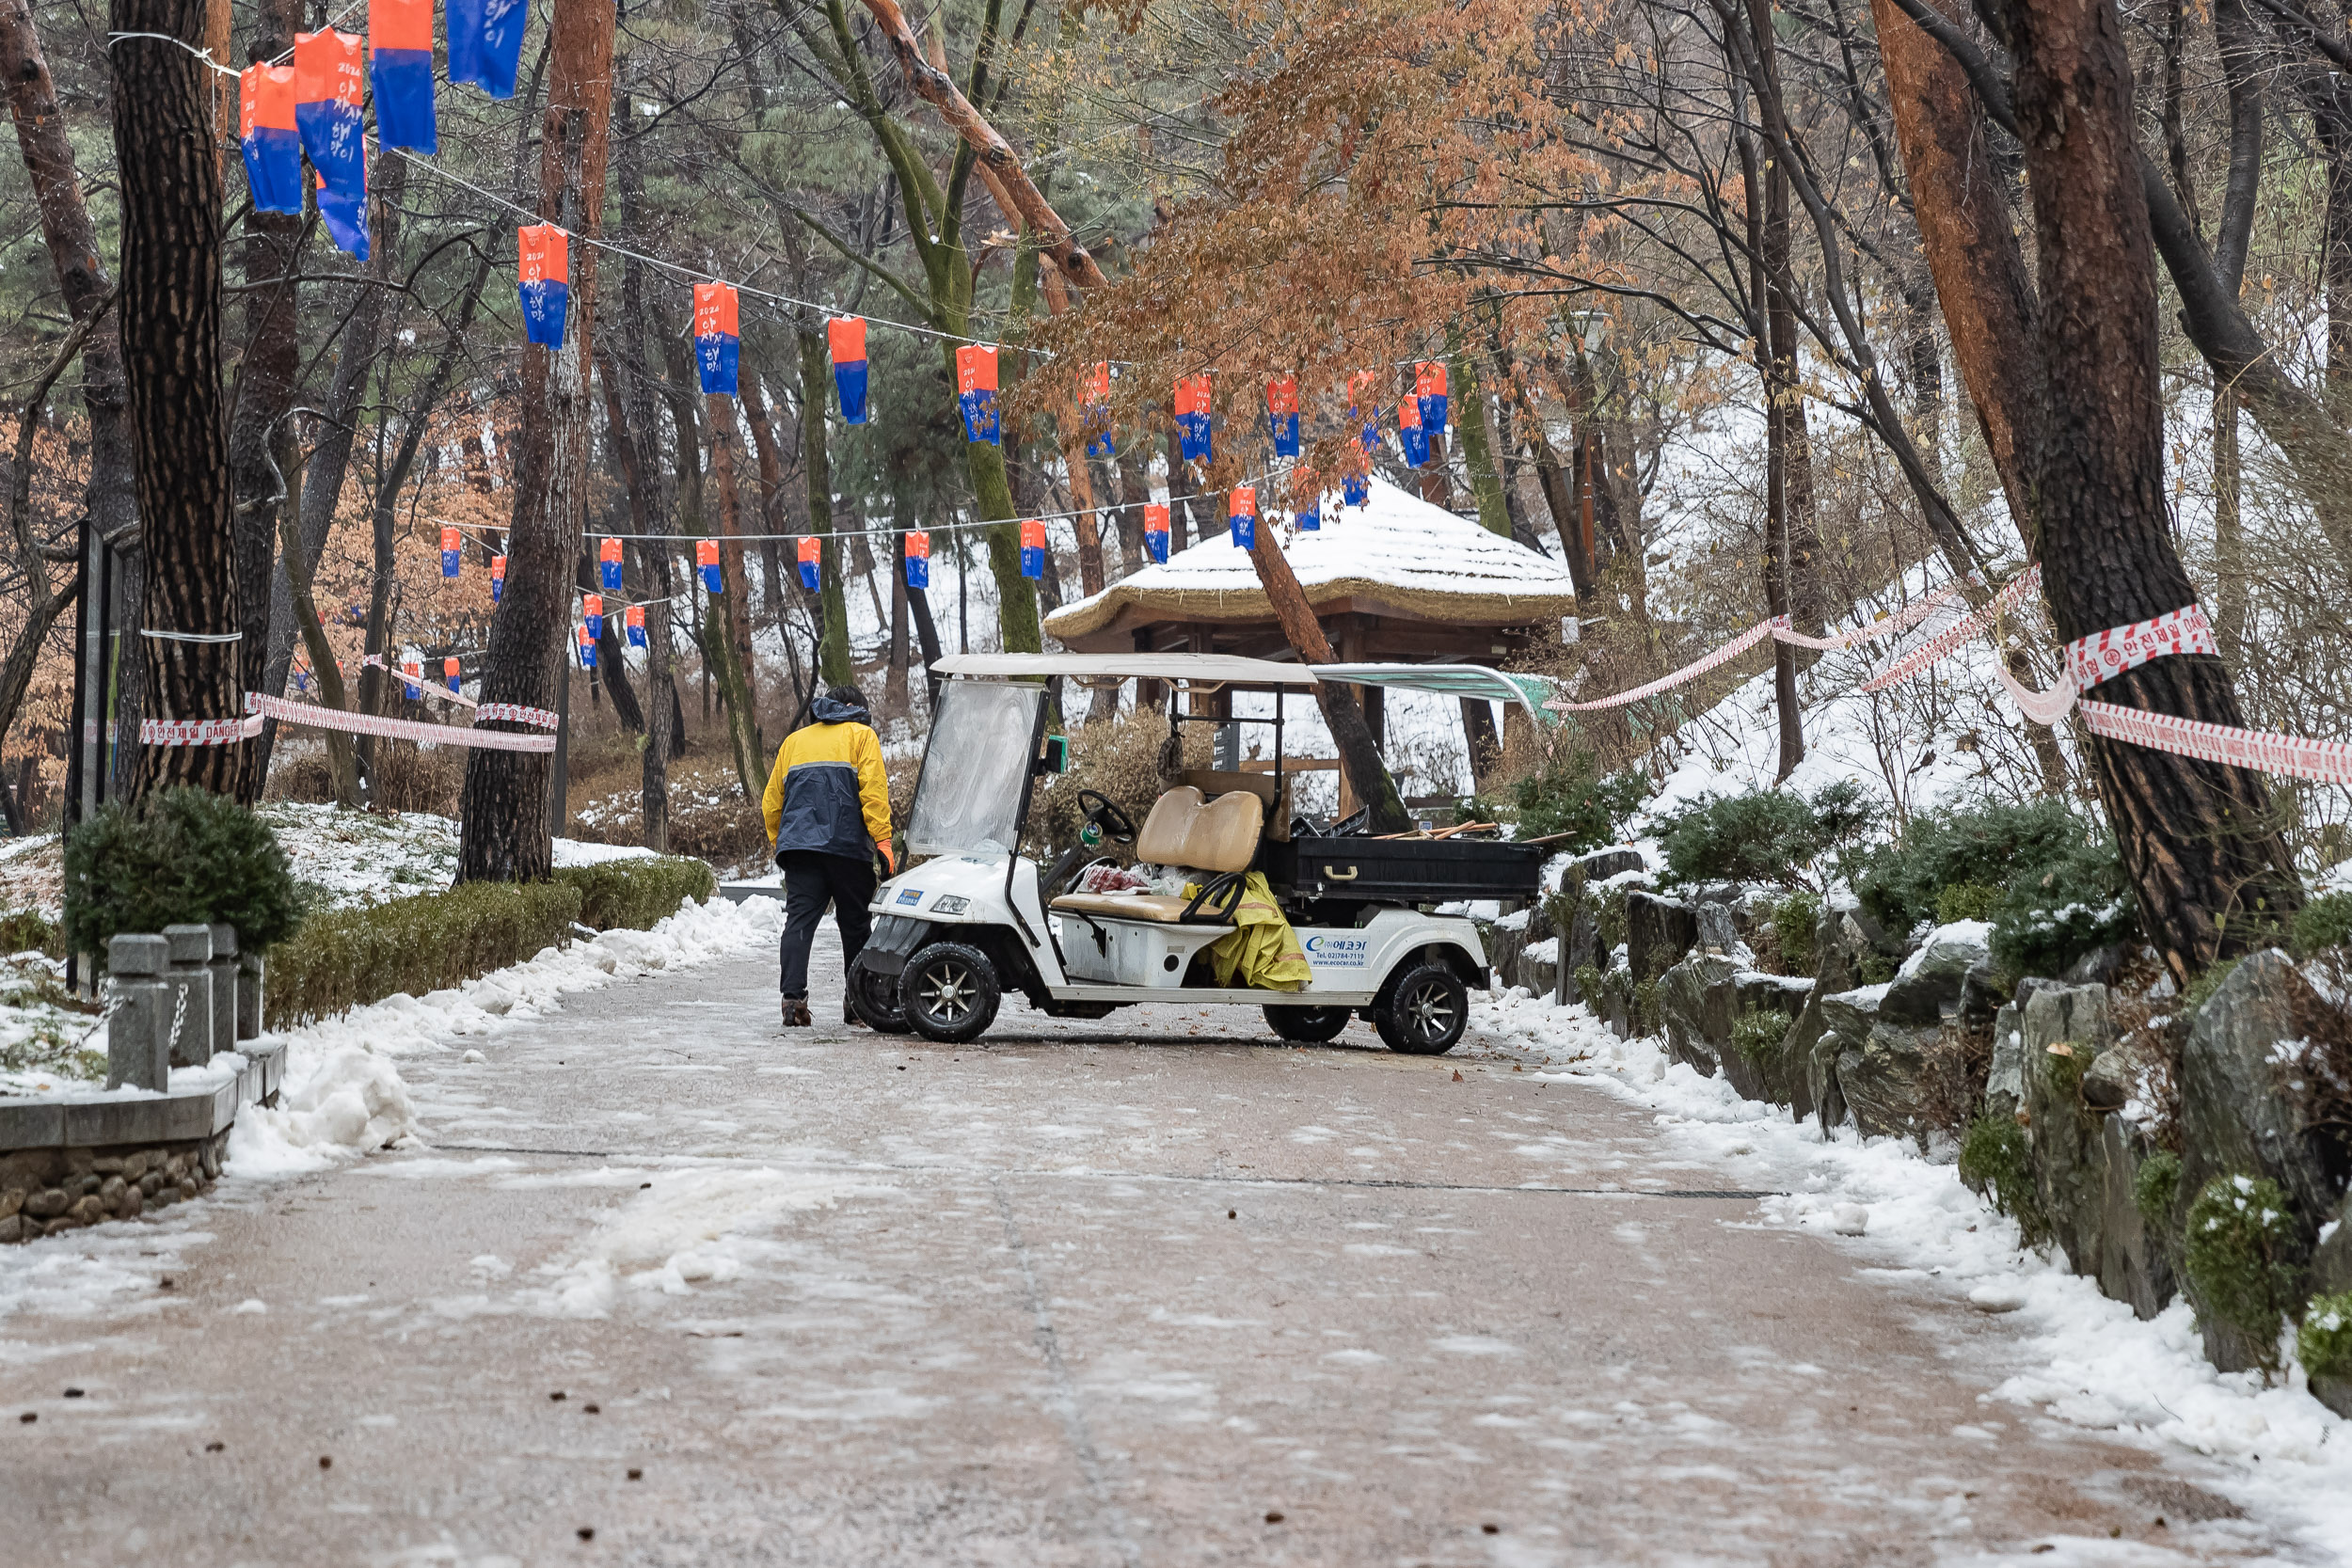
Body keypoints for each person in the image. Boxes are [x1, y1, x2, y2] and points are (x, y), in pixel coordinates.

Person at [762, 683, 895, 1028]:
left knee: (799, 922)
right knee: (855, 926)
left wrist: (783, 841)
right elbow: (874, 791)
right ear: (852, 706)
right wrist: (883, 842)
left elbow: (771, 803)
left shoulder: (794, 742)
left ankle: (793, 1001)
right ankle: (857, 1004)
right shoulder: (861, 735)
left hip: (801, 850)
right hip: (848, 849)